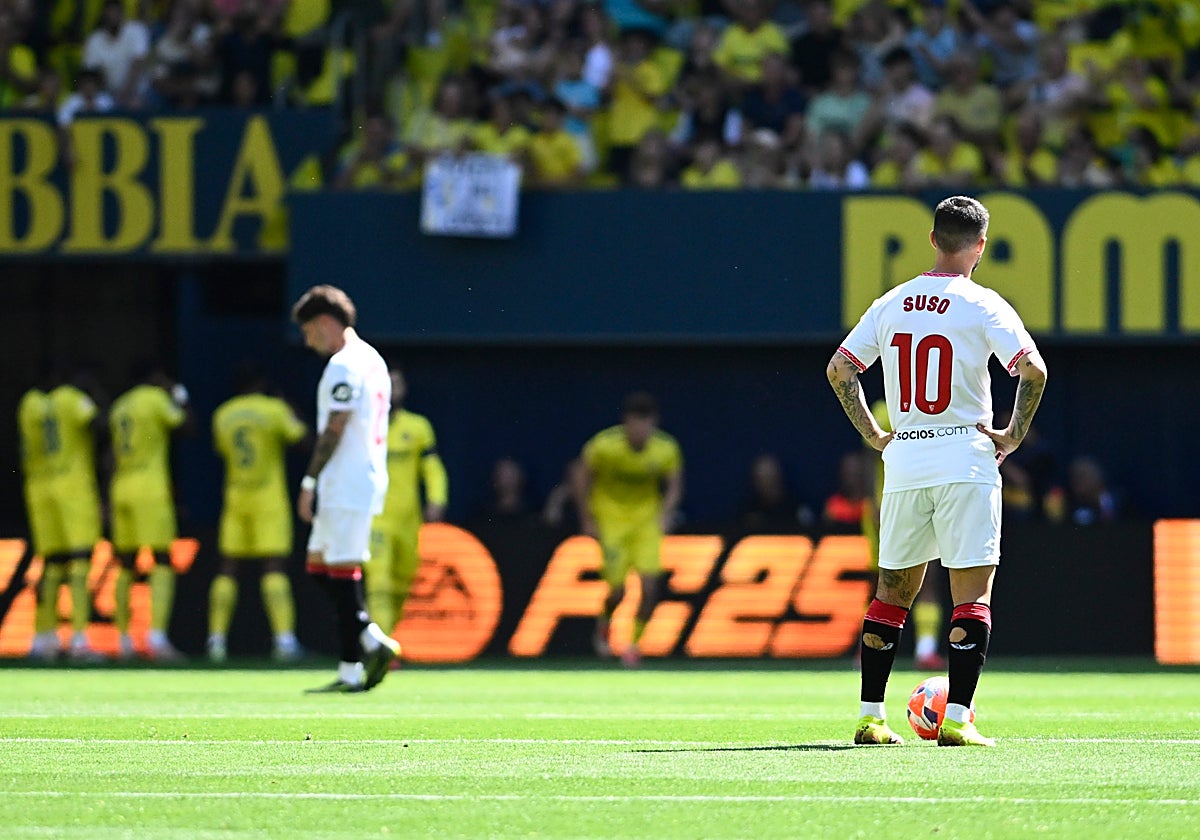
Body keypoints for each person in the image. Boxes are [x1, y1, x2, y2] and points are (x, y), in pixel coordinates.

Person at [827, 195, 1047, 747]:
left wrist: (872, 433)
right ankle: (957, 719)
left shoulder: (892, 302)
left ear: (931, 239)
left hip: (905, 461)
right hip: (966, 458)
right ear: (980, 246)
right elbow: (1033, 371)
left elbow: (839, 369)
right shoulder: (984, 304)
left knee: (891, 593)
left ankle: (870, 717)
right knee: (970, 595)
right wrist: (1014, 433)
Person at [291, 284, 400, 693]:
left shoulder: (344, 364)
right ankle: (357, 659)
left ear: (324, 322)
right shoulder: (372, 359)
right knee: (323, 567)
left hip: (347, 481)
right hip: (357, 477)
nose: (308, 341)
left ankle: (369, 646)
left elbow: (336, 425)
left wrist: (309, 481)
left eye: (308, 331)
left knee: (339, 571)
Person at [572, 392, 683, 667]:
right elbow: (580, 474)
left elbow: (675, 486)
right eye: (636, 423)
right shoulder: (604, 445)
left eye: (646, 423)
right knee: (618, 592)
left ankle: (634, 644)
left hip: (646, 522)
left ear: (653, 423)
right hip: (612, 520)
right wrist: (587, 517)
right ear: (627, 423)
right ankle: (605, 621)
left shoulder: (666, 449)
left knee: (649, 587)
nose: (641, 430)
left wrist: (666, 514)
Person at [207, 363, 308, 663]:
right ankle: (284, 642)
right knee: (273, 566)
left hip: (236, 497)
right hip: (268, 499)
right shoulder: (273, 409)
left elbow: (221, 451)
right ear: (262, 383)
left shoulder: (223, 414)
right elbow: (303, 440)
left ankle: (216, 641)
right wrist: (289, 409)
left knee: (228, 567)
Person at [20, 368, 107, 662]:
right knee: (80, 560)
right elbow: (100, 425)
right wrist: (94, 395)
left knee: (52, 563)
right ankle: (80, 641)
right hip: (72, 487)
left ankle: (42, 639)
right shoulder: (71, 399)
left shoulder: (30, 404)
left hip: (39, 487)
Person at [109, 364, 193, 661]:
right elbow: (186, 426)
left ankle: (122, 640)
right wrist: (178, 395)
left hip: (121, 486)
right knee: (161, 559)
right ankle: (157, 638)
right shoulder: (156, 399)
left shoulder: (120, 405)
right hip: (150, 488)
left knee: (126, 563)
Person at [862, 400, 945, 672]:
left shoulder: (937, 406)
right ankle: (870, 647)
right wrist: (872, 501)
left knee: (928, 577)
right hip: (887, 504)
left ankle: (926, 650)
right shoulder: (884, 410)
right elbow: (869, 457)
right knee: (881, 581)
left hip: (926, 501)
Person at [366, 367, 448, 641]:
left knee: (402, 585)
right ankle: (382, 647)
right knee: (378, 584)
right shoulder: (362, 426)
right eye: (387, 382)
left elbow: (432, 468)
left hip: (407, 520)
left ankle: (385, 639)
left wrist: (437, 499)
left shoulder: (418, 427)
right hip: (374, 518)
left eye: (397, 383)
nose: (393, 388)